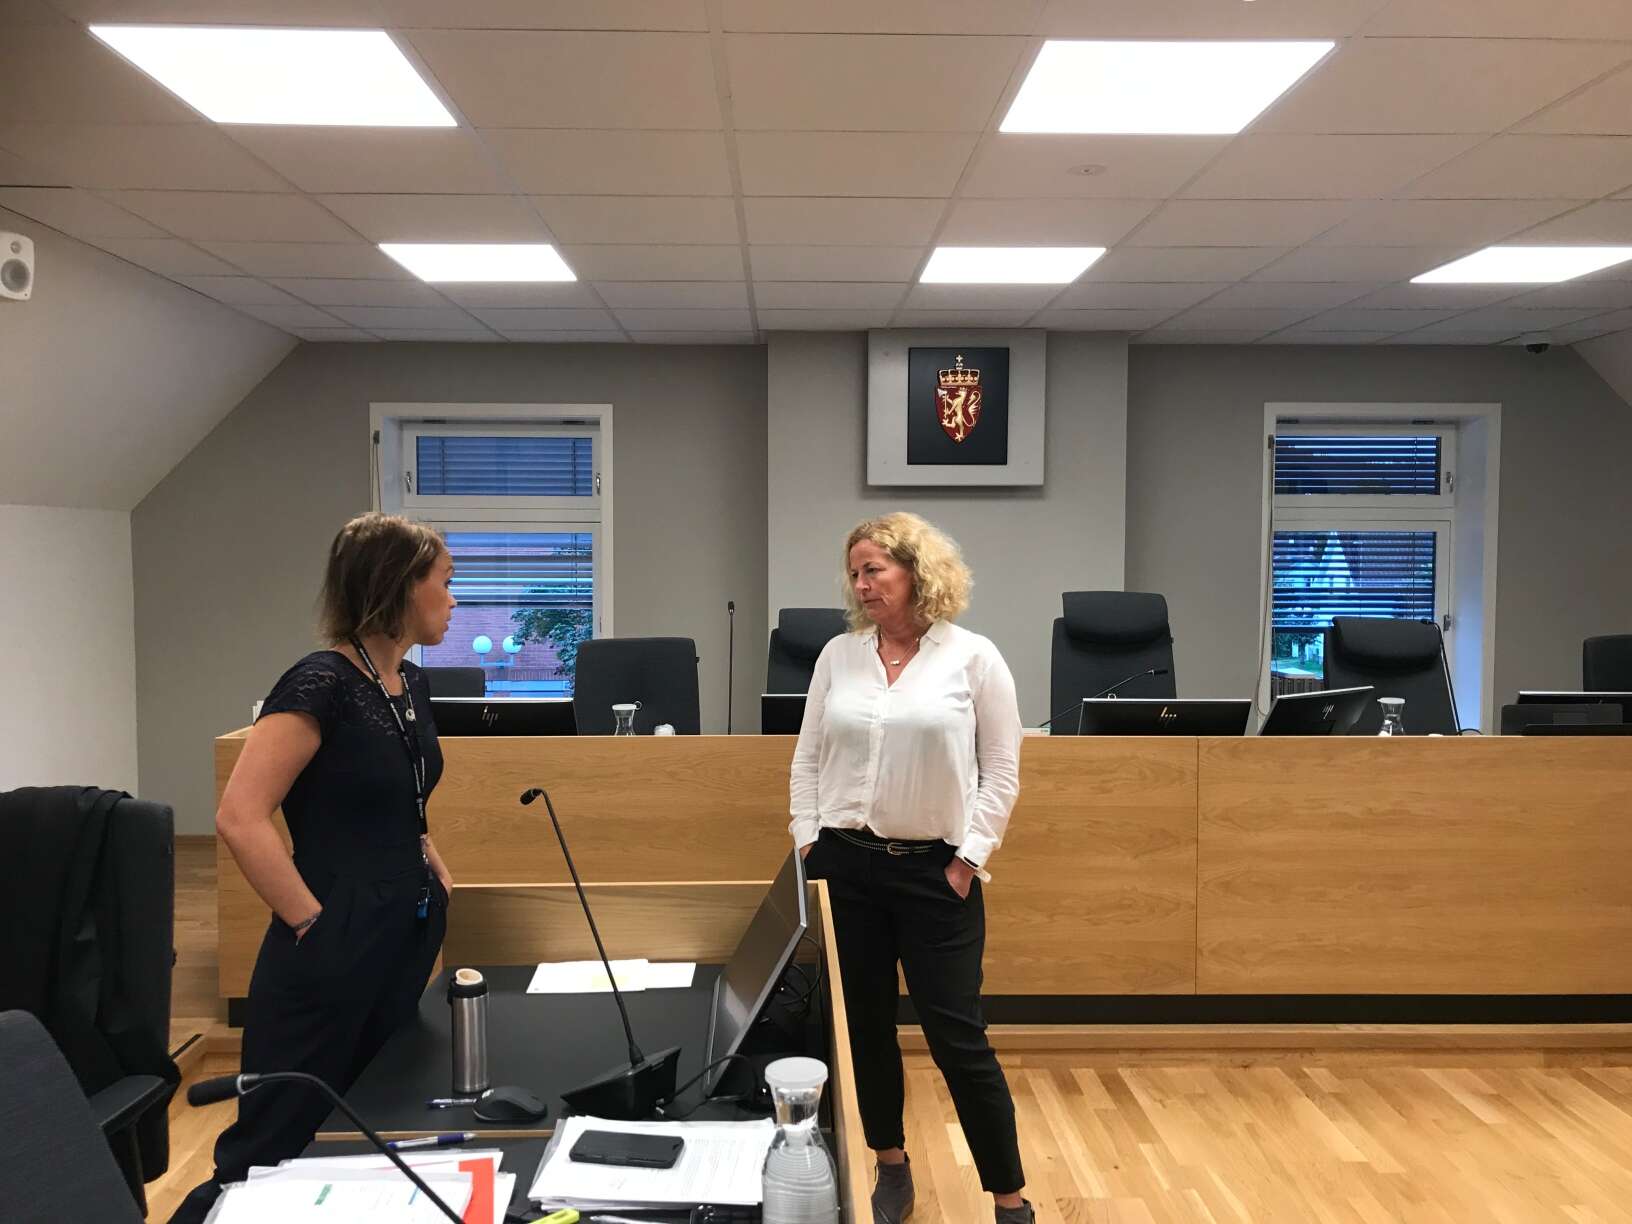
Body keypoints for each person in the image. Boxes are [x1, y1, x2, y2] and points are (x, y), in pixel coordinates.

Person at [170, 512, 458, 1223]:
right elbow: (240, 815)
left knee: (372, 1117)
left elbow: (399, 793)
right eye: (445, 582)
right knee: (273, 1142)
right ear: (401, 586)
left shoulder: (409, 684)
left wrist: (429, 858)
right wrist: (310, 922)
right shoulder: (320, 682)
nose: (454, 600)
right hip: (334, 936)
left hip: (405, 929)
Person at [789, 512, 1031, 1224]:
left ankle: (1010, 1199)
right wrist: (808, 841)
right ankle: (890, 1164)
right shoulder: (838, 656)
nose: (862, 585)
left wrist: (969, 859)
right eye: (855, 573)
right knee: (863, 1028)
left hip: (935, 874)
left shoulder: (974, 658)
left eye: (875, 569)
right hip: (846, 870)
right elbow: (807, 757)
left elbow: (1002, 771)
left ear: (917, 571)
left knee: (959, 1040)